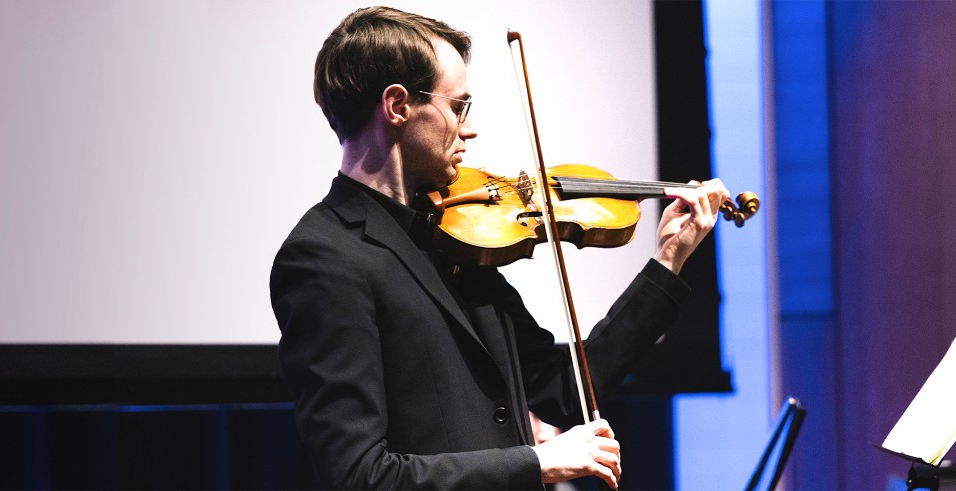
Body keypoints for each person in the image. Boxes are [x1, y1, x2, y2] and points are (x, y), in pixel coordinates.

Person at [270, 6, 731, 489]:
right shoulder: (324, 258)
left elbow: (562, 391)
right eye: (457, 107)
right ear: (398, 105)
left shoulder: (450, 237)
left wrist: (668, 261)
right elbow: (359, 476)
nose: (468, 128)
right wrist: (536, 463)